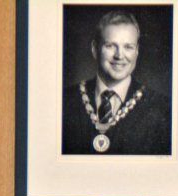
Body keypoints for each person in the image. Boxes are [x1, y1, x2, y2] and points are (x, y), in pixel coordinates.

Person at [61, 10, 171, 155]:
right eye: (110, 46)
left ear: (137, 52)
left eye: (128, 47)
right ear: (95, 49)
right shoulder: (64, 101)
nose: (119, 55)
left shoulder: (162, 109)